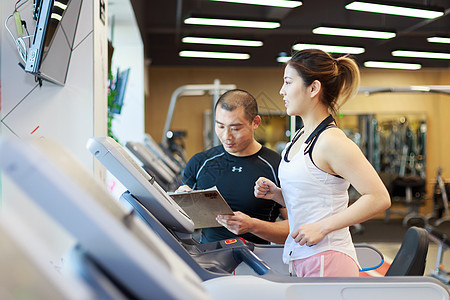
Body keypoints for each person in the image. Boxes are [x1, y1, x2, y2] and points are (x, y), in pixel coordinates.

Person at [254, 49, 391, 277]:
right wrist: (277, 194)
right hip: (302, 256)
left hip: (328, 258)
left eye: (288, 82)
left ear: (314, 88)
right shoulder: (299, 137)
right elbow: (311, 198)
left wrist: (323, 227)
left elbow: (379, 198)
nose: (281, 91)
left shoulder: (331, 141)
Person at [177, 89, 289, 244]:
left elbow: (295, 228)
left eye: (236, 128)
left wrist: (253, 226)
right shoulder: (200, 162)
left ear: (255, 122)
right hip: (209, 260)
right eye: (220, 126)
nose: (226, 136)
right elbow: (180, 223)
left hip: (259, 260)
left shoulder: (277, 166)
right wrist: (180, 203)